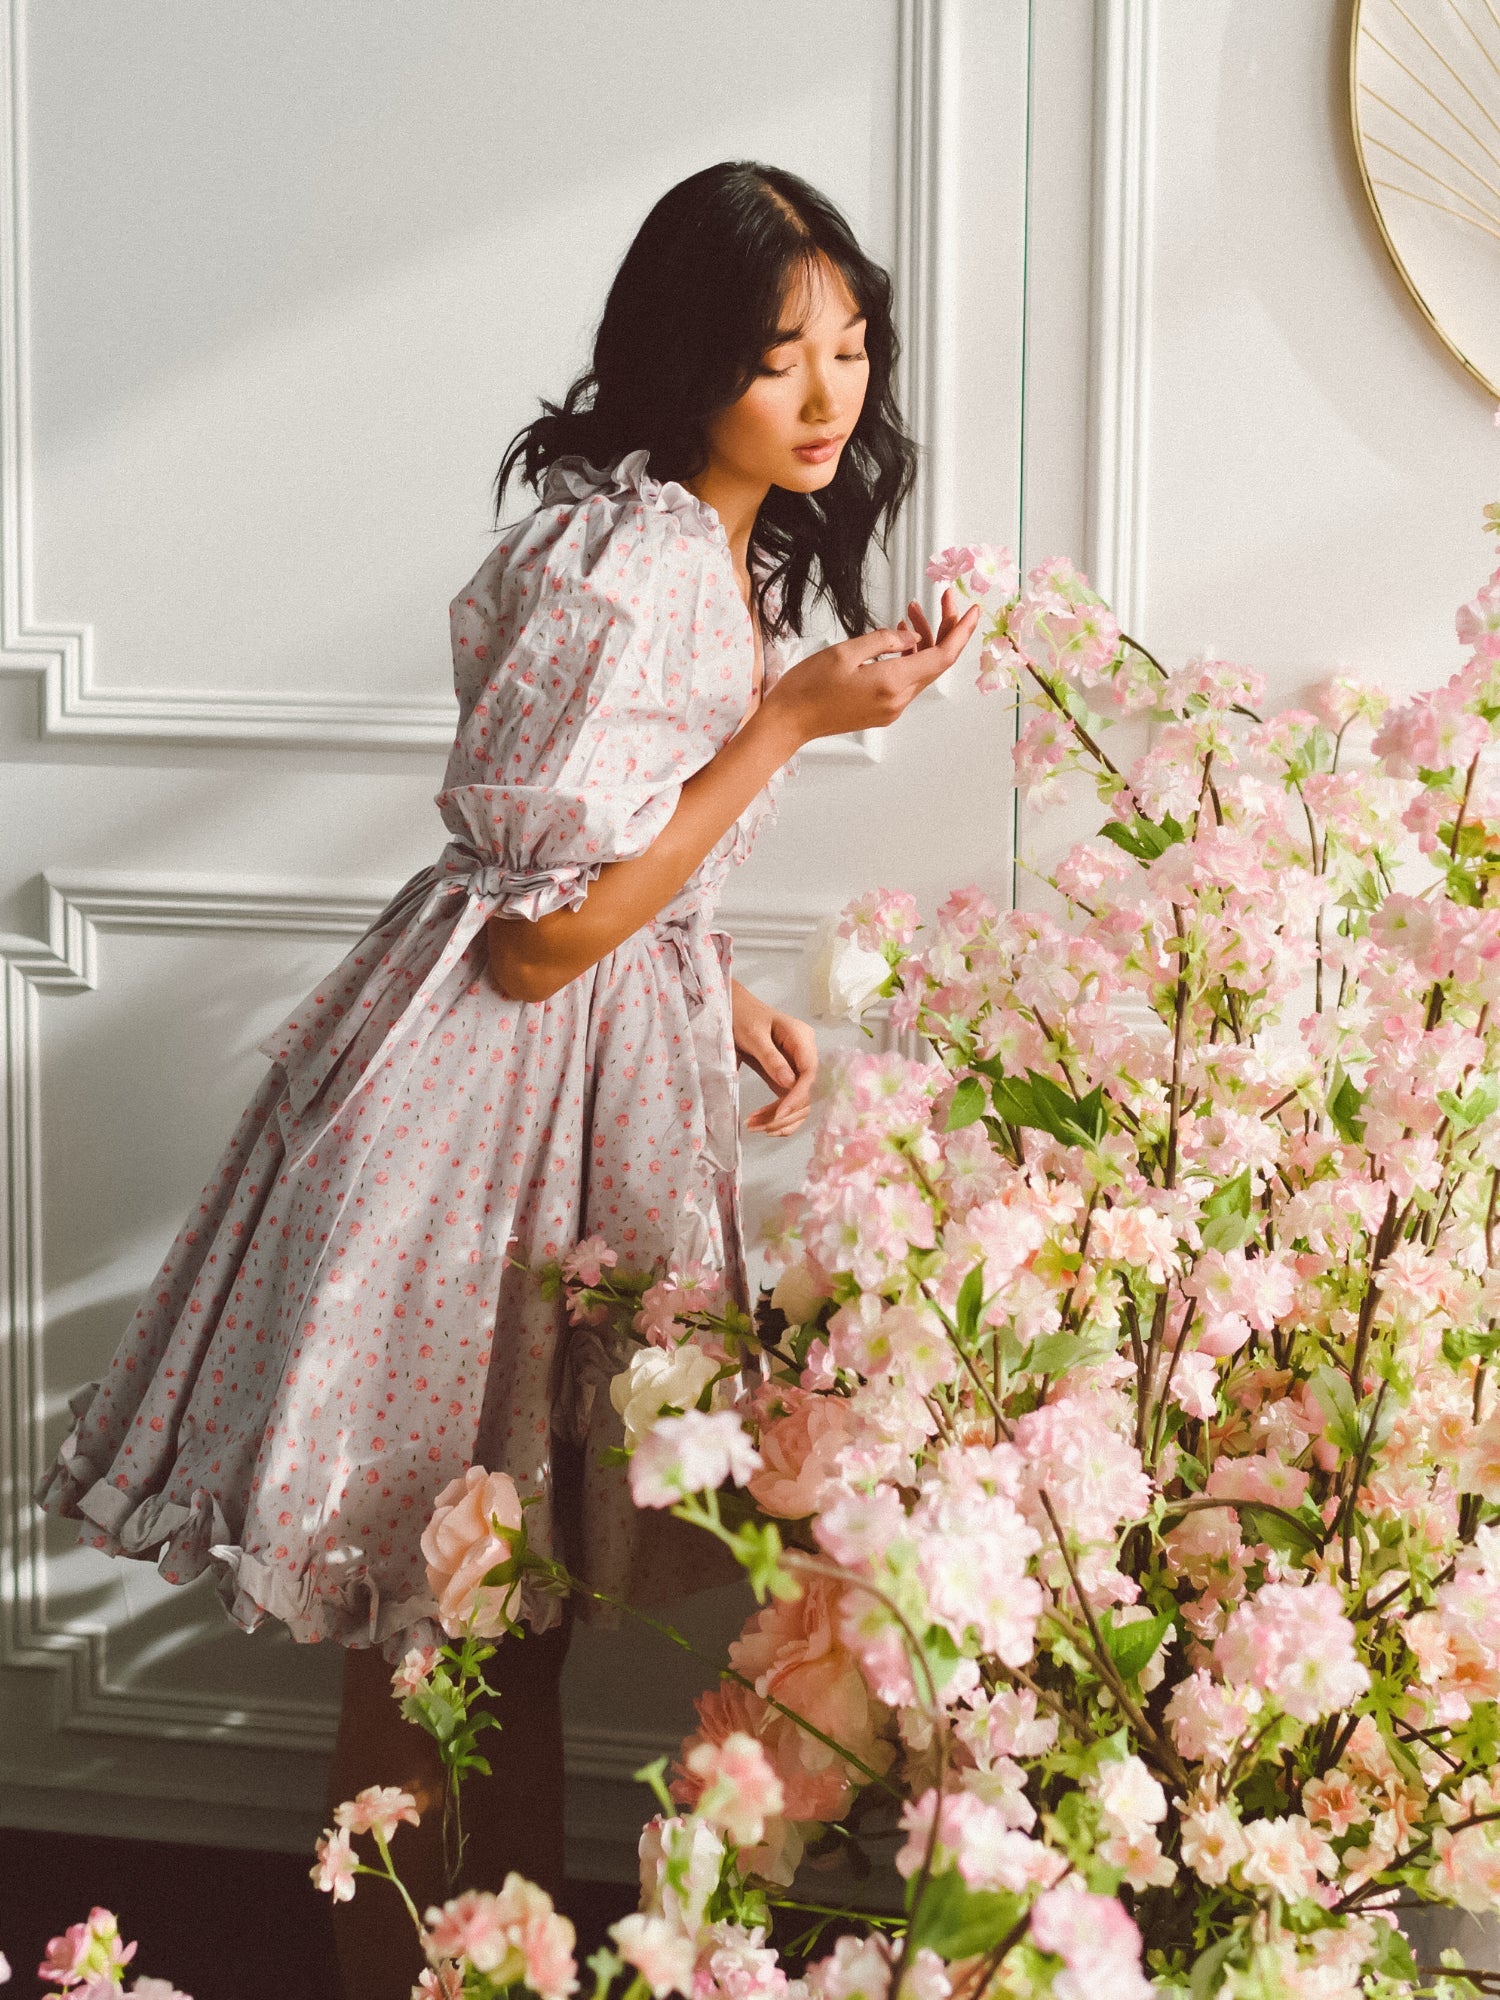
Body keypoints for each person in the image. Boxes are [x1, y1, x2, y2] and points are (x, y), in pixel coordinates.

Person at [35, 160, 978, 1999]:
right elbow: (532, 943)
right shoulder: (629, 565)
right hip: (474, 1135)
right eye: (781, 354)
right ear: (685, 355)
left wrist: (714, 997)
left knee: (497, 1630)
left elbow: (618, 876)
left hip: (571, 1106)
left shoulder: (712, 547)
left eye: (852, 349)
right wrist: (787, 723)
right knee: (442, 1630)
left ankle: (483, 1976)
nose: (828, 395)